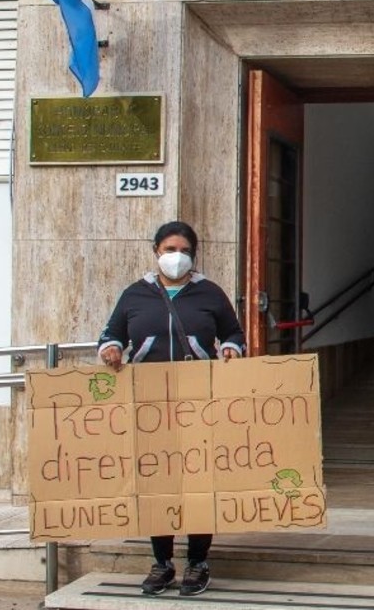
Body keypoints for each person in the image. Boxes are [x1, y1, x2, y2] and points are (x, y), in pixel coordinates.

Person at [97, 221, 245, 597]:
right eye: (168, 249)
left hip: (199, 404)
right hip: (151, 406)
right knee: (159, 484)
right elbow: (111, 333)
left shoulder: (210, 293)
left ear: (193, 254)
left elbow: (233, 333)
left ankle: (198, 562)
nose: (174, 256)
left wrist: (231, 349)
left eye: (182, 249)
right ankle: (162, 563)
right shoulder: (135, 295)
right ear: (156, 252)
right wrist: (111, 349)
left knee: (198, 482)